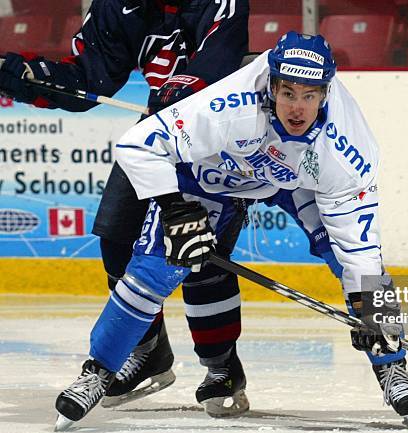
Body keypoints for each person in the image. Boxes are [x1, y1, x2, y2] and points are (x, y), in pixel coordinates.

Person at [53, 31, 408, 432]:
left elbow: (361, 252)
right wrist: (175, 209)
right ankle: (98, 371)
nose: (297, 108)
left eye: (309, 95)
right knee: (153, 271)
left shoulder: (346, 149)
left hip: (297, 179)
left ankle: (392, 364)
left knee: (355, 266)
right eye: (288, 93)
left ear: (326, 92)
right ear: (271, 86)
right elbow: (137, 145)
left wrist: (372, 315)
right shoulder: (230, 106)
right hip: (213, 175)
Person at [0, 0, 254, 410]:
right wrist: (24, 77)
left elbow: (219, 58)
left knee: (199, 256)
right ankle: (148, 351)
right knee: (117, 239)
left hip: (219, 137)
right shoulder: (116, 6)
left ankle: (223, 366)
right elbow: (87, 80)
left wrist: (179, 94)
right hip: (157, 134)